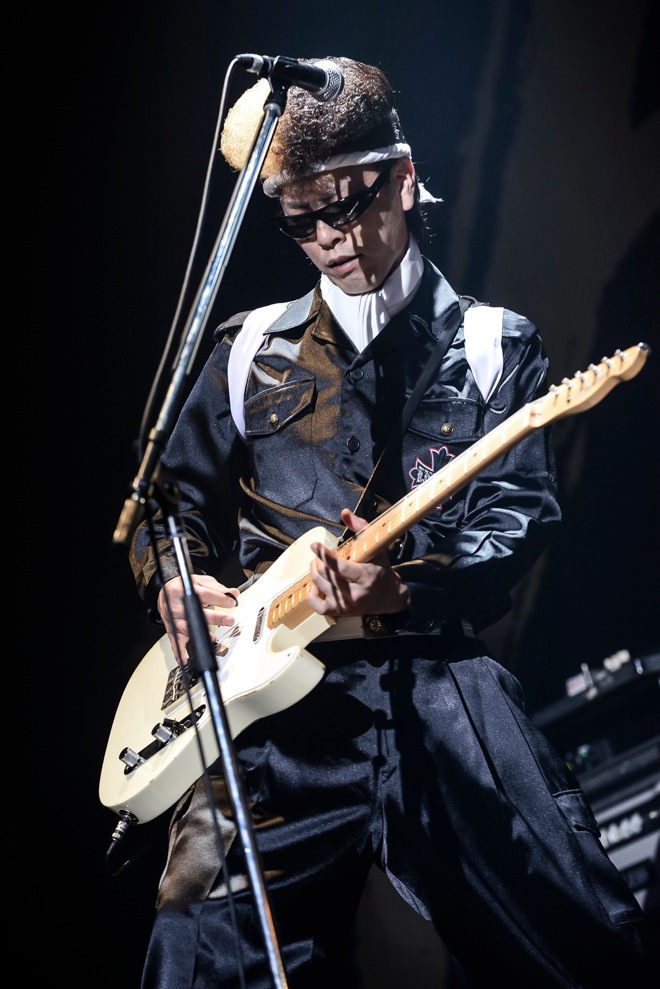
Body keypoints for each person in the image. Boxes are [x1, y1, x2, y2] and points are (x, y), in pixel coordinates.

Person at [128, 57, 654, 988]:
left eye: (347, 205)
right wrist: (175, 581)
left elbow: (517, 518)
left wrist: (400, 588)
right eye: (301, 220)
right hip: (273, 706)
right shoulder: (246, 349)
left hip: (436, 680)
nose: (329, 238)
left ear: (403, 178)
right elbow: (164, 507)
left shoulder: (493, 345)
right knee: (196, 944)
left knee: (580, 928)